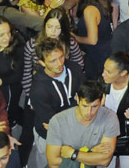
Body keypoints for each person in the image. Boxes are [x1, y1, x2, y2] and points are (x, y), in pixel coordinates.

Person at [30, 39, 86, 167]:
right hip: (49, 139)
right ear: (42, 63)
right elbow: (52, 123)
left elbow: (86, 96)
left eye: (61, 57)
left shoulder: (75, 68)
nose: (60, 63)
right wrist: (76, 105)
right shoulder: (38, 89)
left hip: (77, 132)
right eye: (52, 61)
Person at [45, 80, 119, 168]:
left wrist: (73, 153)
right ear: (77, 99)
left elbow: (104, 161)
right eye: (85, 106)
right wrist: (90, 152)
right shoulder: (58, 121)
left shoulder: (109, 117)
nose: (89, 112)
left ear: (102, 100)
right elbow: (53, 163)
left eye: (94, 106)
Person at [72, 0, 114, 79]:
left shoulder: (90, 10)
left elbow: (92, 40)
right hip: (106, 49)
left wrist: (75, 37)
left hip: (98, 54)